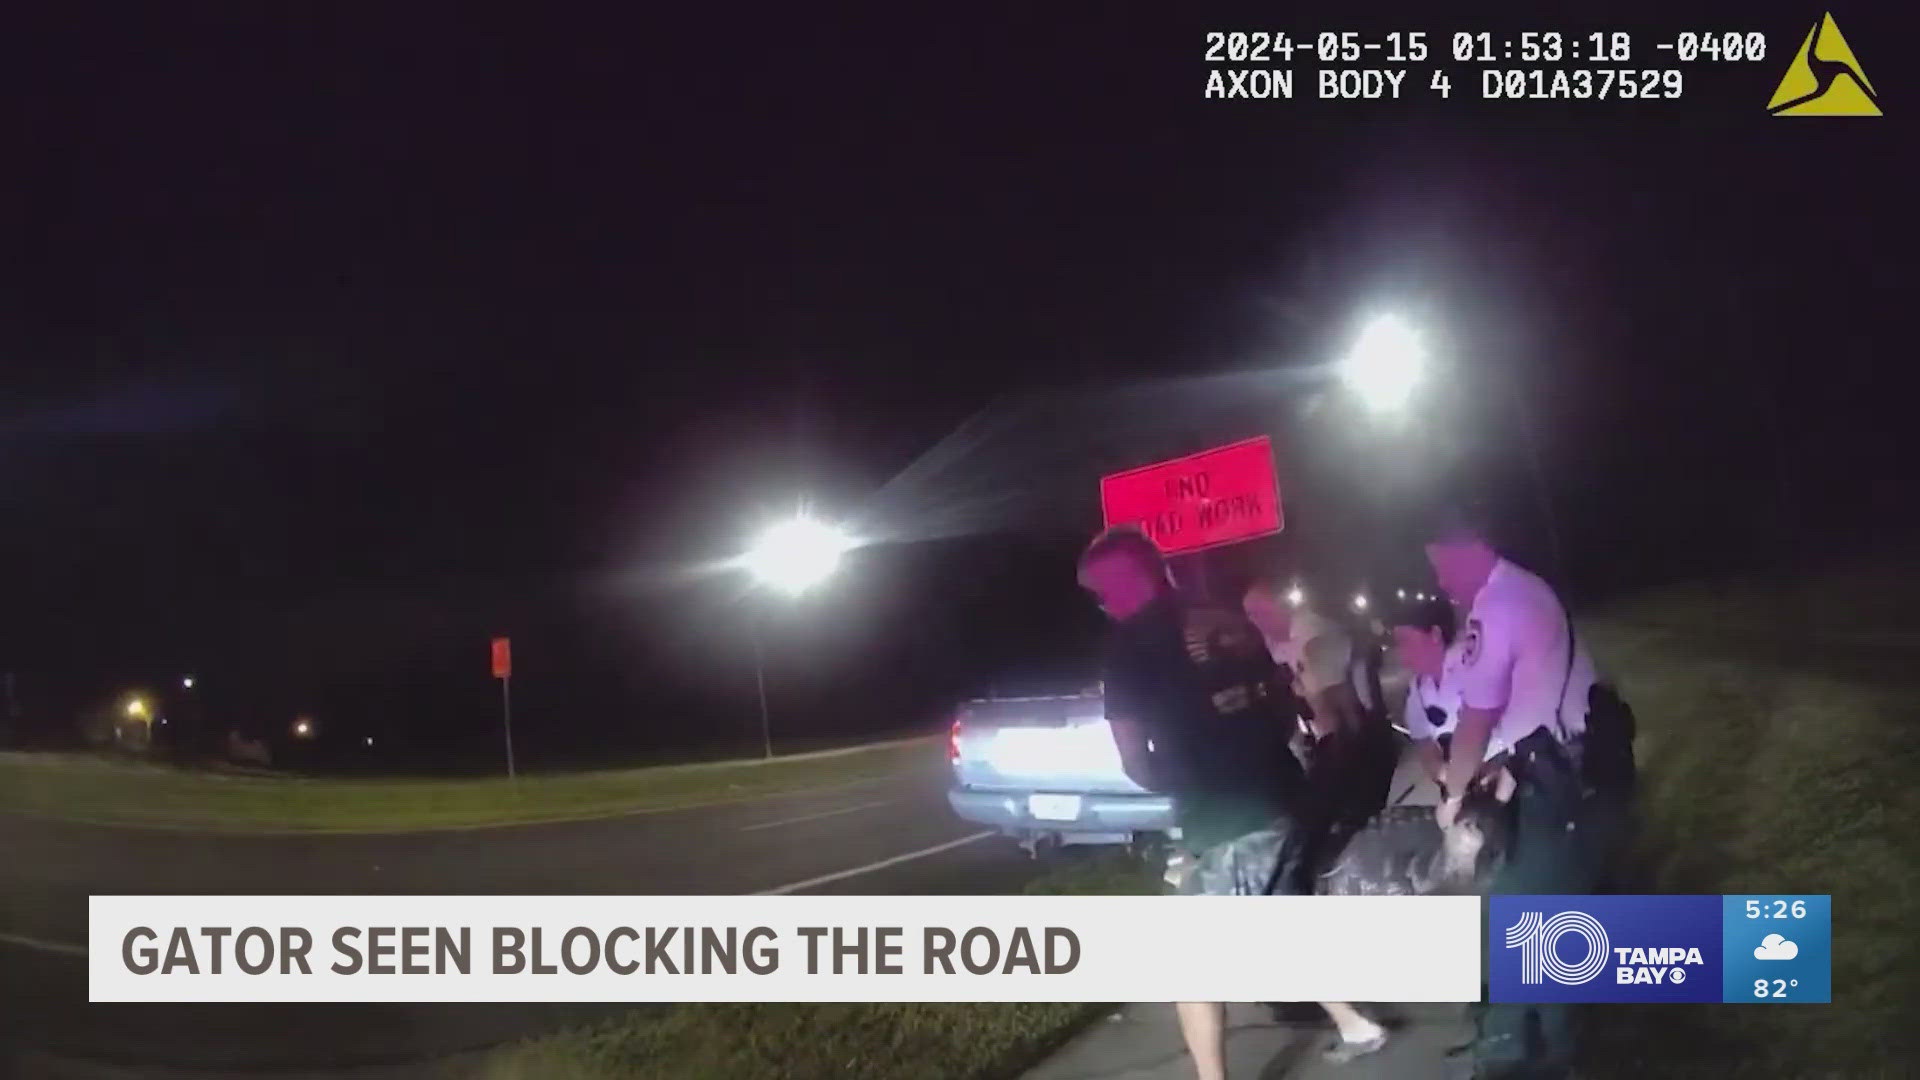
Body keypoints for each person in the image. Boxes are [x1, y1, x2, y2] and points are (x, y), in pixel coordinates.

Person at [1078, 528, 1387, 1078]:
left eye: (1101, 592)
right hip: (1283, 799)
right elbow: (1285, 702)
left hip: (1229, 821)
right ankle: (1356, 1025)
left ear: (1125, 583)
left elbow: (1131, 758)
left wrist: (1183, 786)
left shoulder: (1127, 653)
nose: (1101, 606)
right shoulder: (1220, 620)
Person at [1424, 503, 1611, 1080]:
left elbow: (1479, 716)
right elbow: (1523, 706)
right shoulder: (1521, 593)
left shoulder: (1499, 604)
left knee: (1523, 910)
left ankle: (1520, 1052)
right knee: (1536, 908)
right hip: (1552, 768)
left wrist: (1453, 795)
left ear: (1470, 548)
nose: (1440, 581)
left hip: (1558, 775)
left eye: (1442, 565)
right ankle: (1540, 1045)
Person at [1243, 579, 1398, 856]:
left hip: (1362, 739)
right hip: (1333, 740)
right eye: (1250, 615)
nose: (1256, 621)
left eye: (1260, 611)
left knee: (1352, 833)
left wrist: (1328, 765)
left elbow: (1341, 710)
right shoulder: (1276, 644)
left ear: (1279, 606)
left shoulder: (1315, 637)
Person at [1387, 594, 1512, 800]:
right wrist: (1445, 775)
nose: (1402, 654)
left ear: (1435, 634)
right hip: (1462, 783)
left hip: (1504, 773)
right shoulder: (1418, 690)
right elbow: (1425, 746)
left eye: (1406, 641)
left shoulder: (1473, 664)